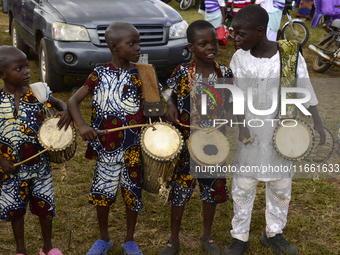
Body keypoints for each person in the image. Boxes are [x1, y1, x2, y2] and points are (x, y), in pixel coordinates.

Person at [222, 5, 326, 255]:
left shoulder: (289, 54)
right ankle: (240, 235)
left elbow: (304, 87)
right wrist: (240, 124)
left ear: (259, 32)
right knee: (244, 184)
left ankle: (274, 232)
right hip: (251, 131)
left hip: (283, 130)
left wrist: (318, 122)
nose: (235, 39)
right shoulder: (239, 58)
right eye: (234, 33)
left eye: (240, 34)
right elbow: (235, 95)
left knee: (280, 184)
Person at [67, 21, 161, 255]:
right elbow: (72, 101)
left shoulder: (143, 72)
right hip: (106, 148)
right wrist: (81, 125)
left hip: (133, 148)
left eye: (139, 42)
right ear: (114, 46)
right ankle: (104, 238)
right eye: (132, 43)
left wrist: (164, 109)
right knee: (103, 194)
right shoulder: (99, 73)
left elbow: (156, 107)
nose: (138, 47)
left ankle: (129, 240)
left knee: (132, 193)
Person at [159, 20, 232, 255]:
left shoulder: (225, 73)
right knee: (179, 192)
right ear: (191, 47)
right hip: (186, 145)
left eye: (213, 42)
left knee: (210, 190)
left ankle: (207, 235)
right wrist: (170, 105)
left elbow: (233, 102)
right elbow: (168, 91)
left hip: (213, 145)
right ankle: (173, 239)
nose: (211, 47)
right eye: (203, 44)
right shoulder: (183, 72)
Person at [0, 45, 72, 255]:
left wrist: (66, 111)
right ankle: (20, 248)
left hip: (40, 166)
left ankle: (47, 245)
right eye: (19, 68)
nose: (26, 72)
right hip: (10, 169)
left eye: (26, 66)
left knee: (44, 206)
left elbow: (61, 104)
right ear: (2, 74)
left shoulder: (38, 92)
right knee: (15, 209)